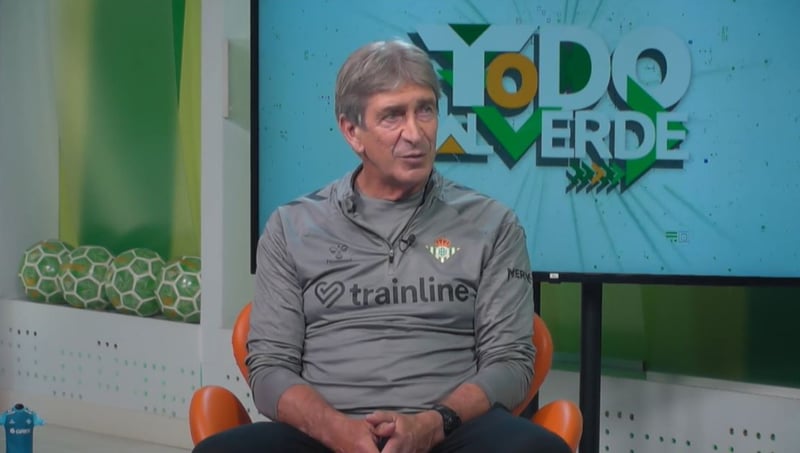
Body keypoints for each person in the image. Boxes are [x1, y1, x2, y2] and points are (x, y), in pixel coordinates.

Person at [193, 40, 571, 453]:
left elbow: (511, 363)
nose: (416, 133)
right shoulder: (291, 228)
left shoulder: (492, 225)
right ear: (352, 131)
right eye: (393, 116)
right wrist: (338, 431)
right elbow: (269, 369)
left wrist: (432, 424)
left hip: (450, 432)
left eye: (425, 110)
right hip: (324, 436)